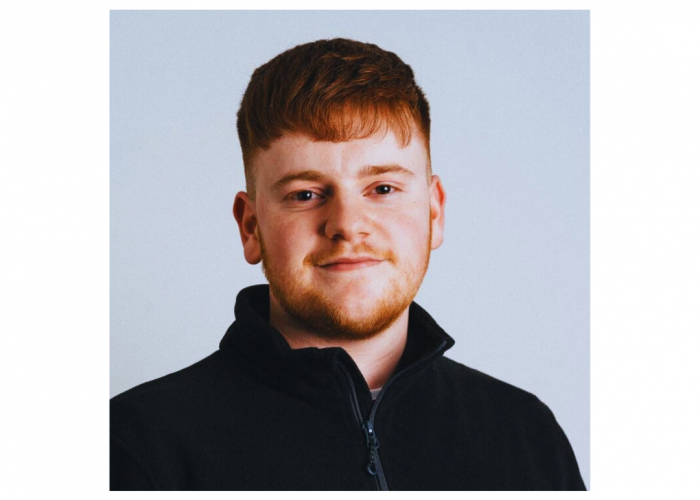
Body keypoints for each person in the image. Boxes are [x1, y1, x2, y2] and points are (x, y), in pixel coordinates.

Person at [110, 38, 586, 491]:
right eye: (306, 194)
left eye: (382, 188)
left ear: (433, 213)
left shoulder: (525, 435)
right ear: (251, 227)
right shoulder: (137, 445)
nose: (347, 225)